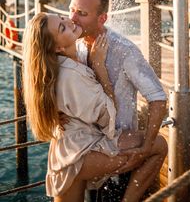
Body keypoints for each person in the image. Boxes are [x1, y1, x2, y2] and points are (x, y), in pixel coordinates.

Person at [22, 12, 168, 202]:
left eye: (62, 17)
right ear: (57, 47)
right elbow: (108, 117)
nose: (70, 20)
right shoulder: (71, 74)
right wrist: (100, 67)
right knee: (158, 145)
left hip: (67, 150)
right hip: (81, 154)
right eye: (62, 27)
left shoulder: (61, 64)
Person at [68, 0, 168, 201]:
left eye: (82, 14)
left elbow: (158, 99)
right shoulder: (74, 44)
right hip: (85, 143)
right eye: (72, 10)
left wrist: (146, 146)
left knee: (158, 147)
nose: (73, 19)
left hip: (117, 145)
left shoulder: (124, 50)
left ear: (102, 18)